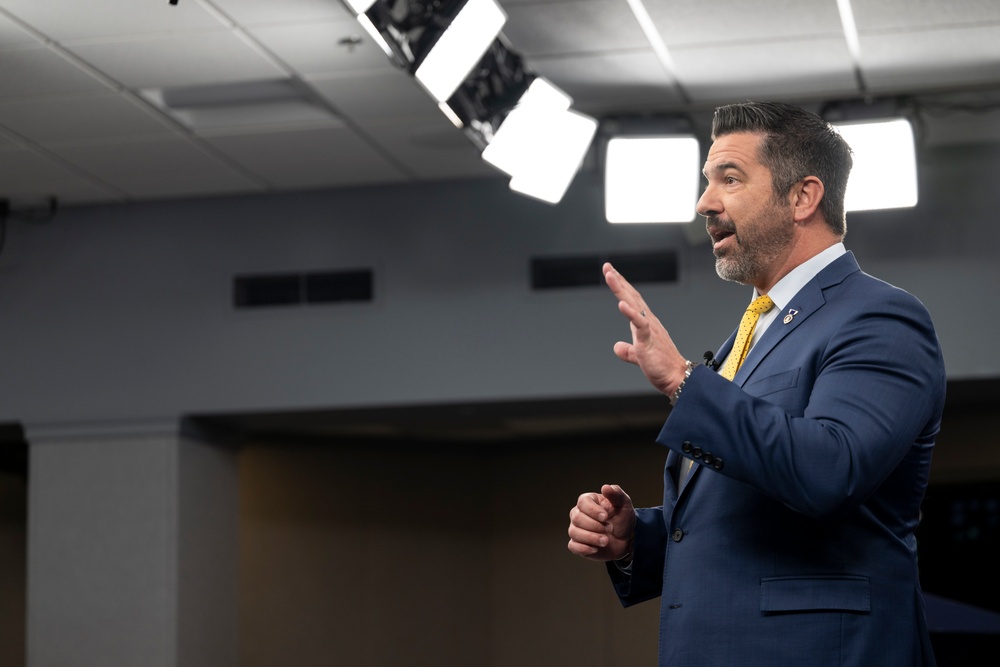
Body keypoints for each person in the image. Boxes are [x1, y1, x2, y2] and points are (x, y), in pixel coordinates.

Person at [567, 101, 945, 666]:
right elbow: (742, 511)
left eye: (730, 178)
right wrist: (636, 541)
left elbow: (830, 470)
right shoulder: (748, 336)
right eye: (706, 181)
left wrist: (682, 380)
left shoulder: (881, 318)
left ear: (802, 197)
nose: (705, 203)